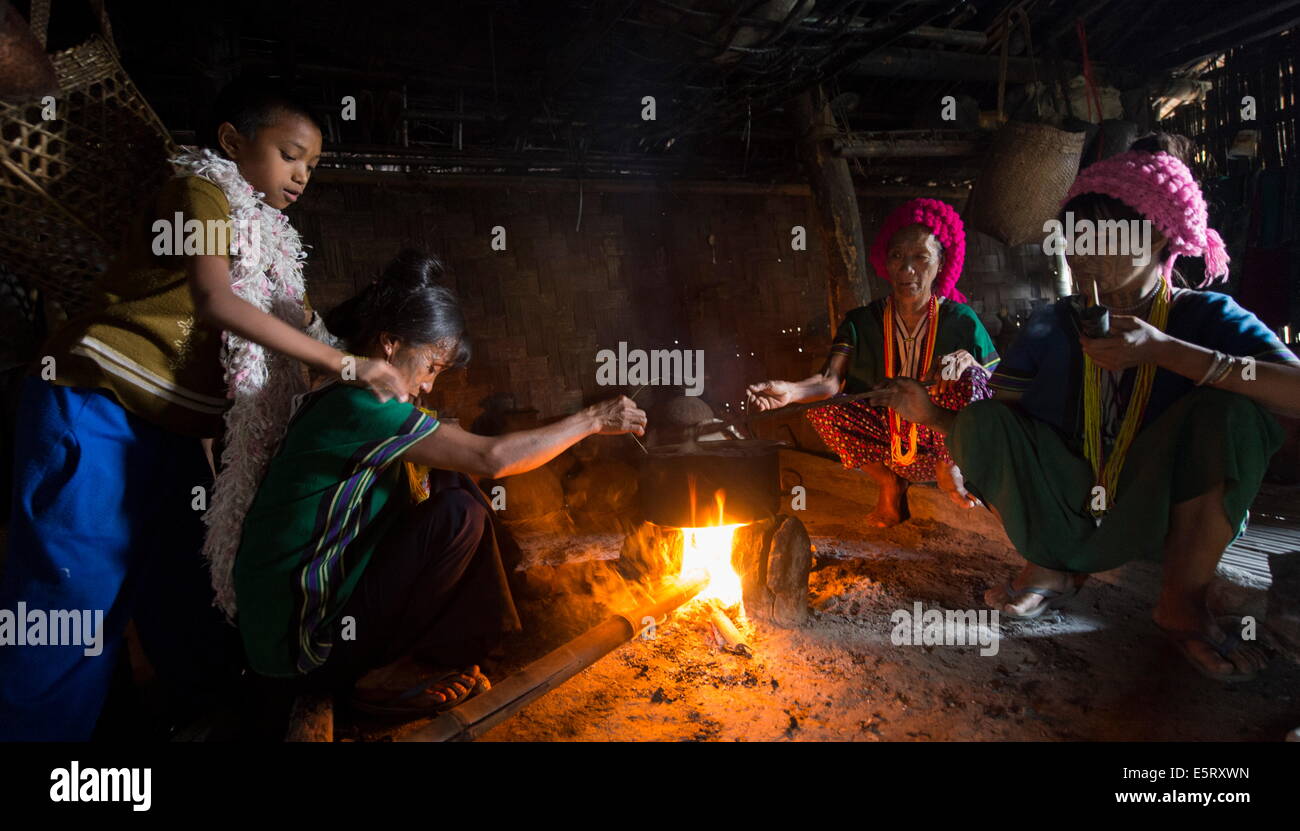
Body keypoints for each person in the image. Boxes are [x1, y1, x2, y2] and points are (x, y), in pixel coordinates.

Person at [0, 77, 405, 740]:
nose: (302, 175)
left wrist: (376, 369)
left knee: (188, 600)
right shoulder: (202, 191)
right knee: (70, 606)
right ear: (231, 141)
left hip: (169, 432)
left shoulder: (271, 240)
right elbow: (216, 300)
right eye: (291, 154)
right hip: (96, 408)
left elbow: (305, 327)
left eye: (312, 166)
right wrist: (346, 365)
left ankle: (203, 725)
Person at [867, 135, 1300, 682]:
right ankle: (1048, 566)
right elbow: (998, 427)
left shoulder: (1206, 316)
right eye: (1076, 235)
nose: (1084, 249)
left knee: (1234, 411)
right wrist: (934, 422)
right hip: (1070, 508)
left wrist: (1168, 352)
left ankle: (1182, 600)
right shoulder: (1053, 322)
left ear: (1163, 235)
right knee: (981, 419)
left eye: (1105, 234)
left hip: (1164, 514)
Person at [234, 250, 647, 716]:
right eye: (432, 365)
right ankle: (383, 673)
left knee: (453, 486)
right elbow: (489, 458)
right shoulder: (360, 406)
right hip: (303, 648)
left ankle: (452, 646)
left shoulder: (344, 393)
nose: (430, 384)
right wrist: (593, 418)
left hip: (306, 618)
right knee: (459, 510)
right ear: (390, 343)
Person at [747, 198, 999, 527]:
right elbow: (829, 381)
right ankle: (889, 483)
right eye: (897, 257)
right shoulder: (862, 321)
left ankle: (949, 469)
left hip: (948, 442)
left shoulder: (961, 319)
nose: (907, 270)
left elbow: (994, 382)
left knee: (966, 377)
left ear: (941, 263)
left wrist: (971, 365)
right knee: (823, 407)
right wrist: (791, 391)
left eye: (920, 258)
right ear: (885, 262)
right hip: (889, 445)